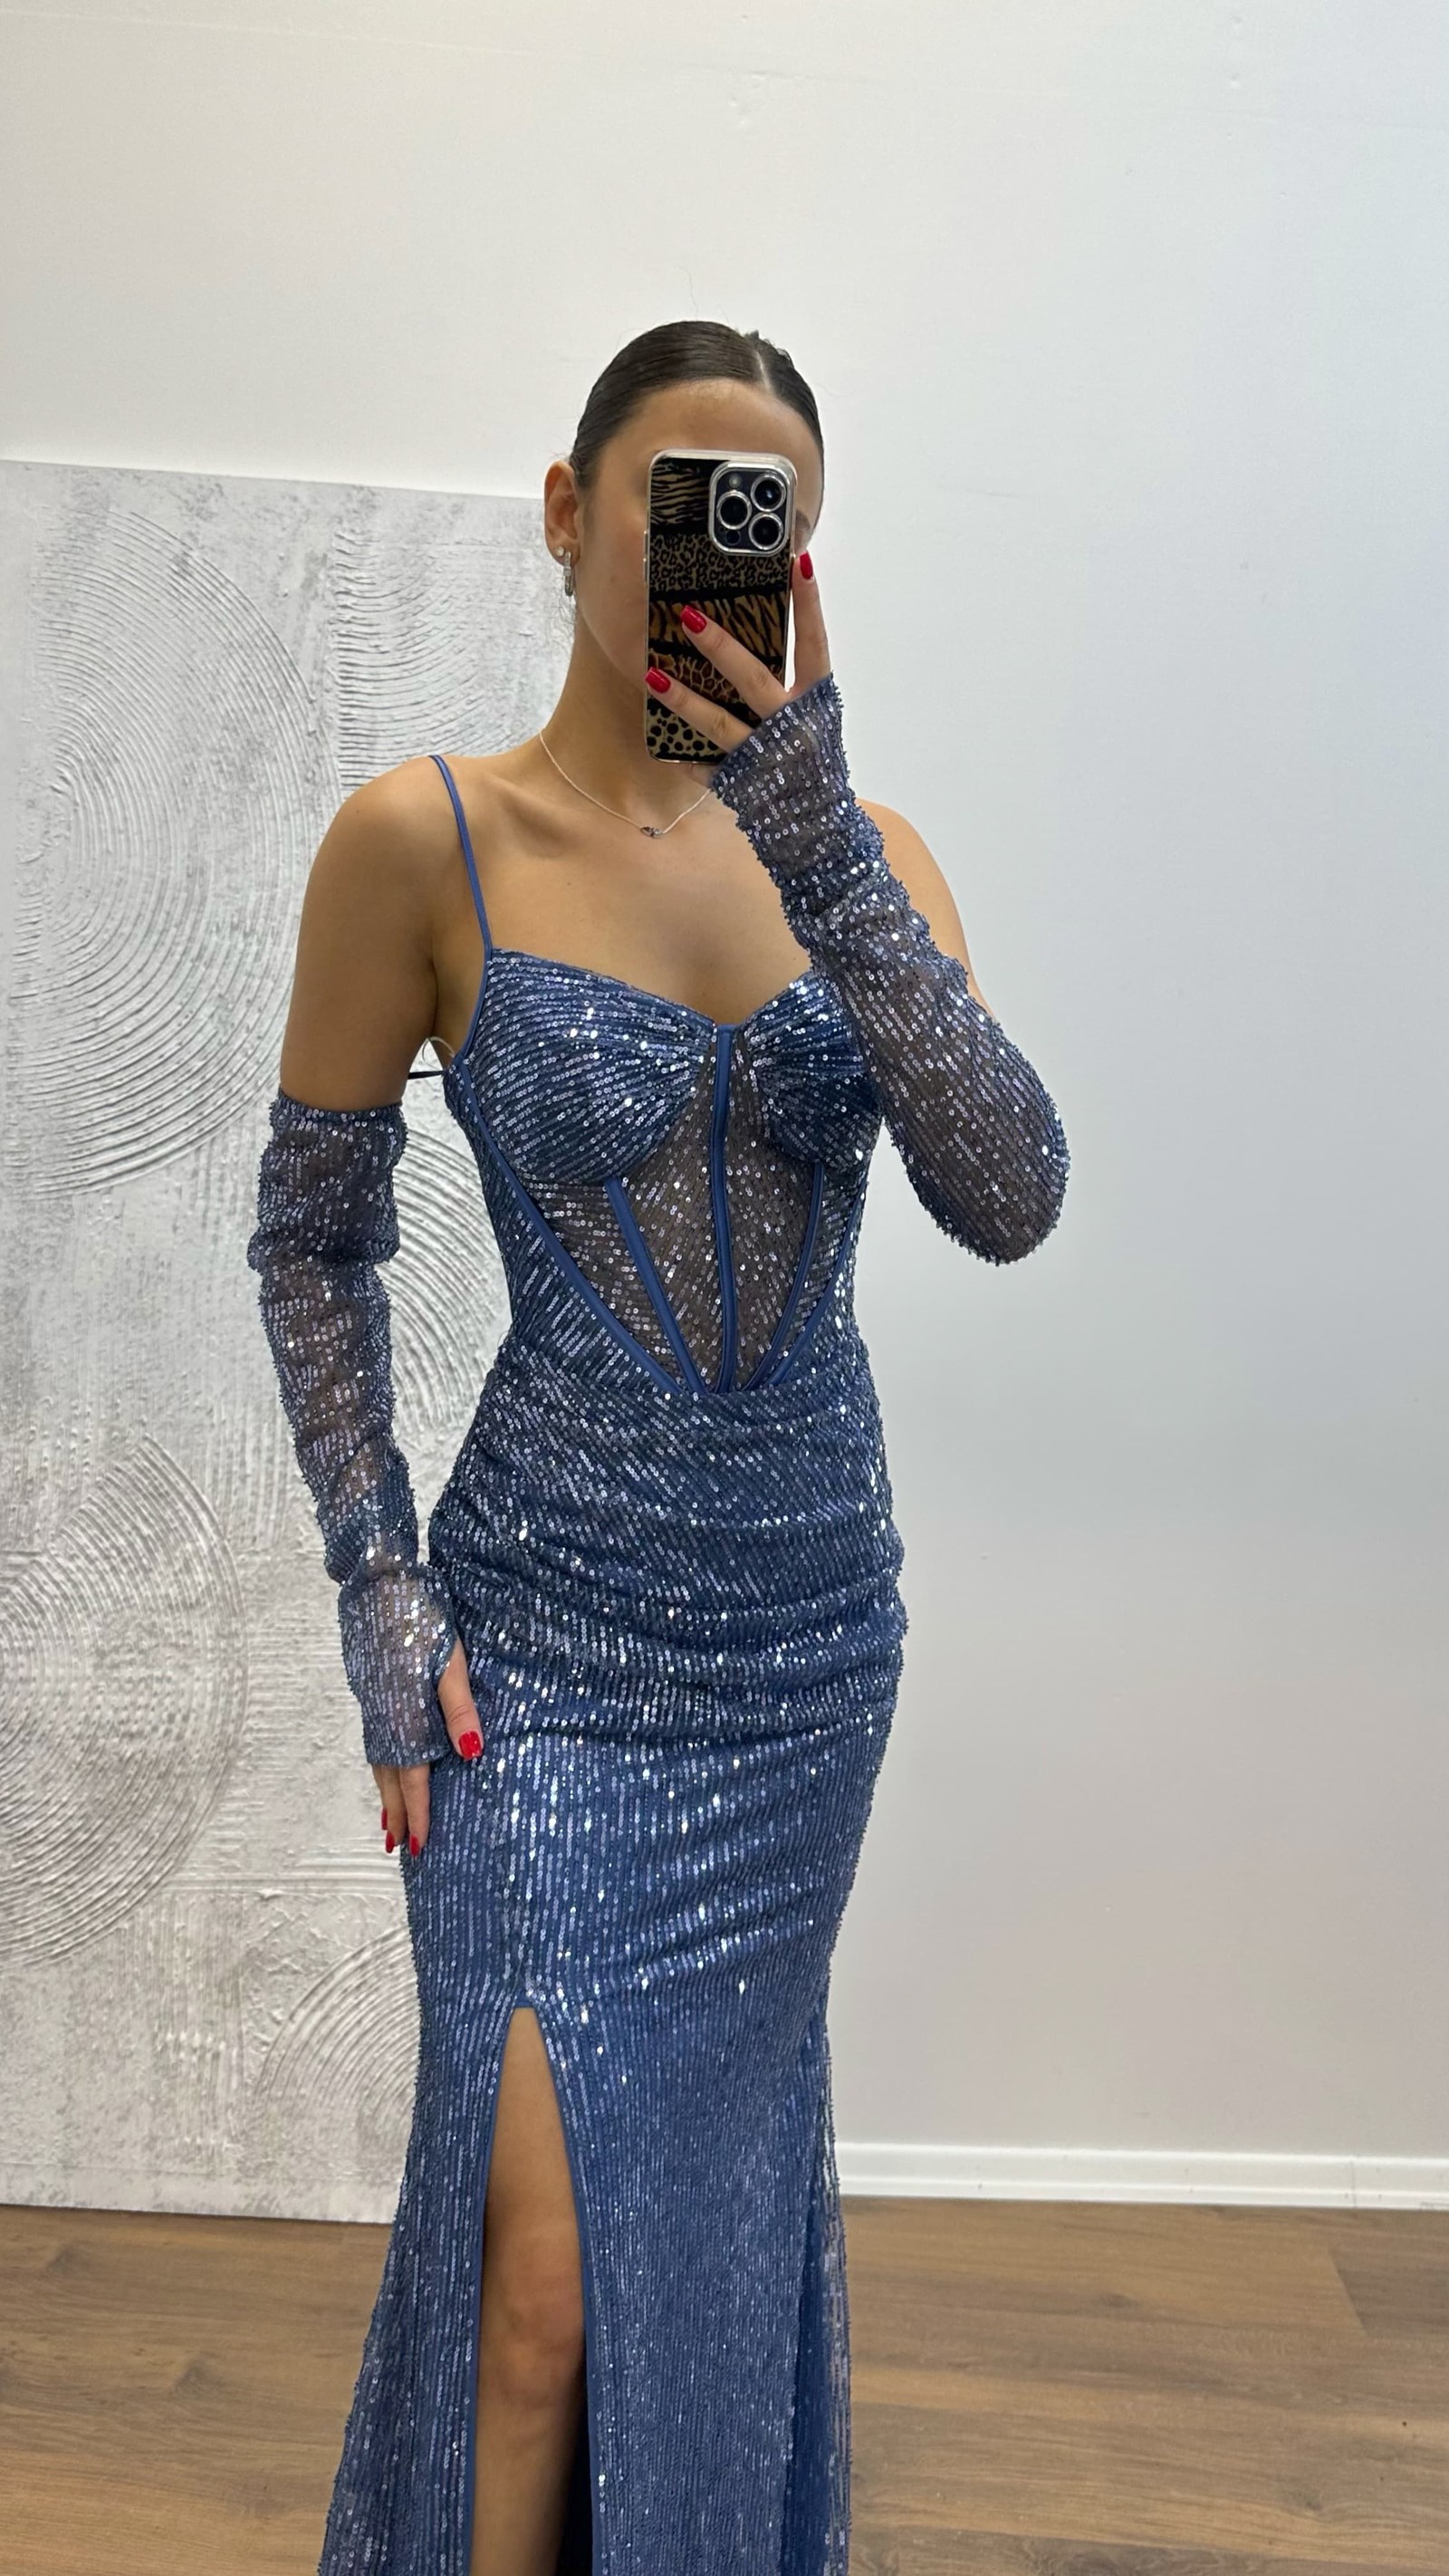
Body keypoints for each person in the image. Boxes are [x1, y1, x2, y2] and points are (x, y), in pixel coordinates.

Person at [246, 317, 1070, 2576]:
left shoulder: (866, 855)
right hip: (539, 1644)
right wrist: (377, 1587)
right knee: (532, 2292)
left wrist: (822, 853)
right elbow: (310, 1239)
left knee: (681, 2258)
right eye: (679, 501)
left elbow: (1010, 1192)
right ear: (565, 511)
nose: (721, 553)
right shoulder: (420, 842)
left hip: (802, 1656)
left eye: (767, 523)